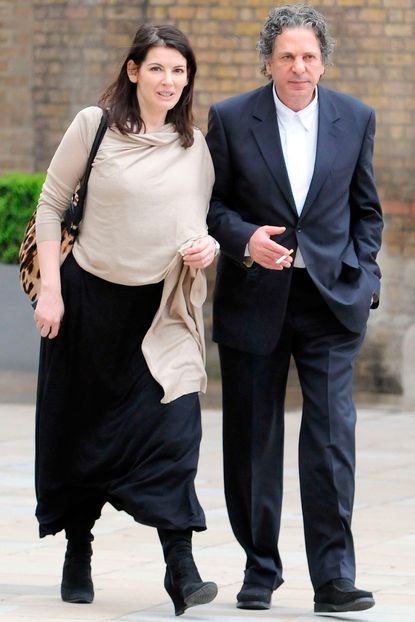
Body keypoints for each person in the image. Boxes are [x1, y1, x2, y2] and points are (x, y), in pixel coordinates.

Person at [33, 23, 218, 616]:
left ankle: (181, 568)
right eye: (158, 68)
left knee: (175, 432)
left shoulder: (194, 144)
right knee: (82, 432)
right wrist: (51, 295)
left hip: (161, 313)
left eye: (180, 70)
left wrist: (207, 248)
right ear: (134, 71)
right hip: (88, 303)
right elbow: (50, 205)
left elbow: (202, 221)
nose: (170, 80)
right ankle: (78, 549)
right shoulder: (94, 126)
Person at [206, 4, 382, 614]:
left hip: (331, 301)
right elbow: (212, 206)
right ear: (268, 61)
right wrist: (243, 239)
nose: (298, 66)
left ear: (323, 62)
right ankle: (260, 569)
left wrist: (366, 279)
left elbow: (367, 210)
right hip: (255, 296)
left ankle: (334, 576)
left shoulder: (355, 118)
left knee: (332, 437)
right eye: (286, 56)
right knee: (253, 438)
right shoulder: (230, 119)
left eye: (308, 56)